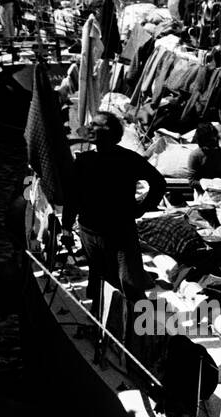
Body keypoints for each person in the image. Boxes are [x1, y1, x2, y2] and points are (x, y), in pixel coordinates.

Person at [62, 112, 167, 319]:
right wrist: (66, 227)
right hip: (89, 232)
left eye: (95, 125)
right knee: (98, 280)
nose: (89, 129)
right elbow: (72, 196)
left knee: (129, 284)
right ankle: (99, 321)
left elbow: (158, 184)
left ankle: (140, 331)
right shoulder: (84, 161)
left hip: (119, 233)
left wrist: (142, 207)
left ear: (109, 132)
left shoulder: (127, 159)